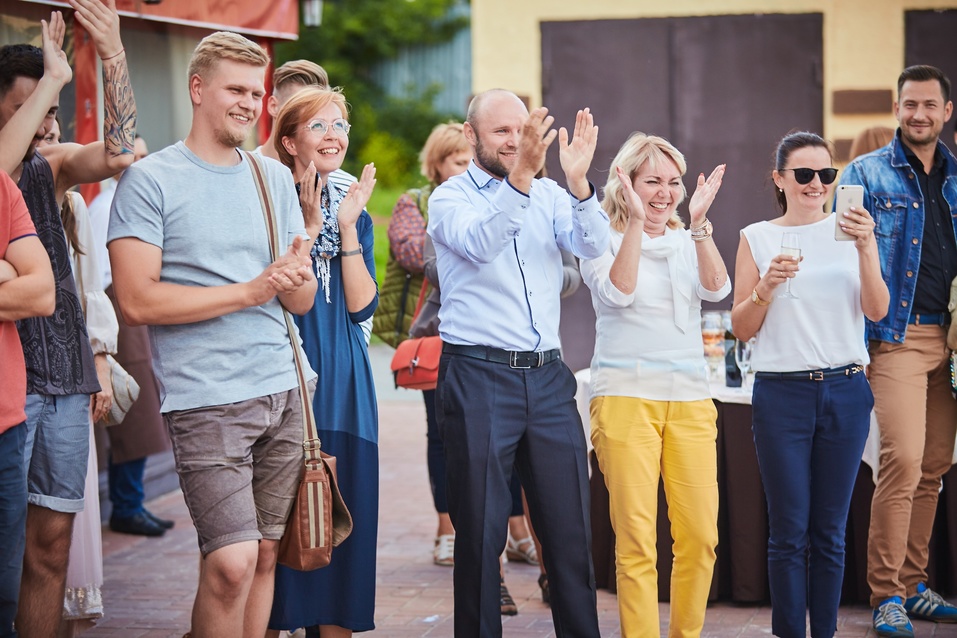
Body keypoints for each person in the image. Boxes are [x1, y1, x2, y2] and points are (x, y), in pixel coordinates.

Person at [108, 32, 317, 636]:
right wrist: (251, 290)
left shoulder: (272, 178)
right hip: (207, 398)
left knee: (267, 558)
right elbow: (136, 299)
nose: (251, 103)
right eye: (237, 89)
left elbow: (298, 301)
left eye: (258, 92)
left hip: (287, 388)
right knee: (230, 563)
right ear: (198, 89)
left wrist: (297, 270)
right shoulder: (151, 180)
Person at [428, 88, 608, 637]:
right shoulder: (450, 198)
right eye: (502, 131)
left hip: (549, 377)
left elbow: (594, 243)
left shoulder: (554, 193)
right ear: (471, 134)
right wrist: (522, 180)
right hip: (478, 376)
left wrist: (579, 184)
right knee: (480, 537)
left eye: (521, 129)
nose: (515, 140)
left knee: (569, 534)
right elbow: (481, 245)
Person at [0, 4, 136, 634]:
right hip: (10, 381)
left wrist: (111, 56)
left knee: (51, 547)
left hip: (63, 376)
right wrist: (53, 76)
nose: (49, 126)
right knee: (6, 553)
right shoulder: (5, 171)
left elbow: (116, 155)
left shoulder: (47, 167)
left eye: (54, 111)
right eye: (34, 109)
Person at [732, 132, 888, 638]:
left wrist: (866, 247)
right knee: (788, 531)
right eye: (803, 174)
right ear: (779, 179)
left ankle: (825, 632)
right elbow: (741, 327)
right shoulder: (756, 236)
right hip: (782, 394)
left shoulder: (854, 233)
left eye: (826, 175)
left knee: (830, 532)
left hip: (845, 389)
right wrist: (766, 287)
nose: (816, 184)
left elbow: (877, 311)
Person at [580, 132, 728, 637]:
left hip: (690, 400)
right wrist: (638, 225)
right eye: (652, 182)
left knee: (700, 537)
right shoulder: (599, 237)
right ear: (627, 184)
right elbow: (619, 294)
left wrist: (702, 226)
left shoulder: (691, 240)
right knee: (637, 540)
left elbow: (718, 289)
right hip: (624, 397)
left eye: (673, 182)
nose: (665, 193)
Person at [839, 64, 957, 636]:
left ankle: (914, 586)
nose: (918, 114)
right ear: (897, 109)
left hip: (952, 340)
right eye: (909, 104)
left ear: (946, 112)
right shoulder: (863, 175)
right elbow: (839, 262)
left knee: (934, 466)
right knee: (903, 462)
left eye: (929, 105)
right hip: (896, 339)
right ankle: (885, 593)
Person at [266, 86, 378, 638]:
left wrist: (350, 225)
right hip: (285, 368)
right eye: (318, 126)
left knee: (345, 520)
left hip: (348, 376)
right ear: (288, 141)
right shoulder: (266, 199)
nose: (334, 136)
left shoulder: (352, 200)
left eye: (340, 124)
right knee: (278, 525)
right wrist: (309, 224)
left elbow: (362, 308)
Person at [38, 118, 118, 635]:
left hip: (69, 373)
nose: (47, 133)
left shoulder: (71, 201)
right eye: (36, 120)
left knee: (61, 531)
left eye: (55, 125)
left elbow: (91, 290)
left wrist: (103, 363)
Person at [88, 135, 173, 538]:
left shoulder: (139, 198)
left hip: (132, 304)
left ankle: (131, 501)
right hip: (114, 307)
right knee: (131, 410)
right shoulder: (106, 204)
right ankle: (127, 504)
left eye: (143, 155)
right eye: (131, 156)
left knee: (139, 408)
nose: (137, 163)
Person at [0, 170, 54, 638]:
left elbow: (41, 291)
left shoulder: (1, 186)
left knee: (4, 595)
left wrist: (18, 274)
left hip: (5, 424)